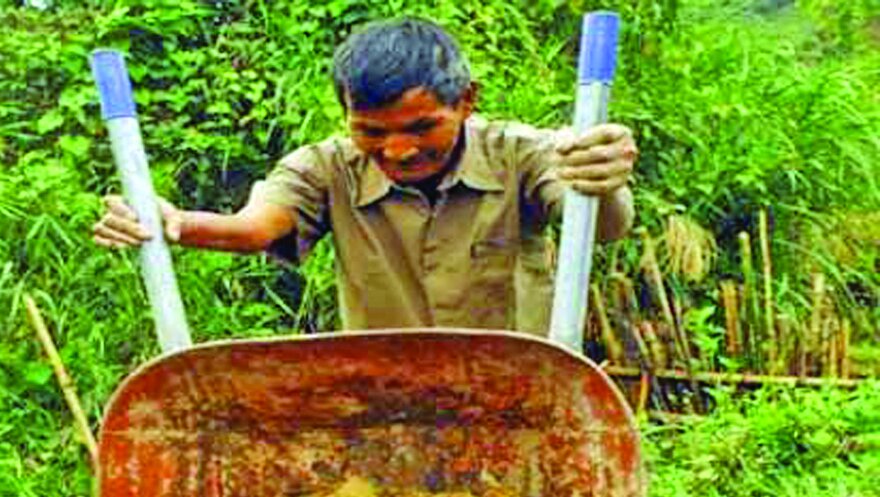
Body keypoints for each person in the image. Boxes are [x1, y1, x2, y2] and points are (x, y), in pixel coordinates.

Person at [93, 17, 636, 335]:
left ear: (467, 101)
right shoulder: (325, 168)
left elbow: (601, 225)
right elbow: (257, 228)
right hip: (387, 403)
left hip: (521, 399)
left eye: (422, 127)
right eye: (371, 132)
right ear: (348, 117)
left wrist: (601, 178)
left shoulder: (520, 153)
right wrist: (176, 223)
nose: (398, 150)